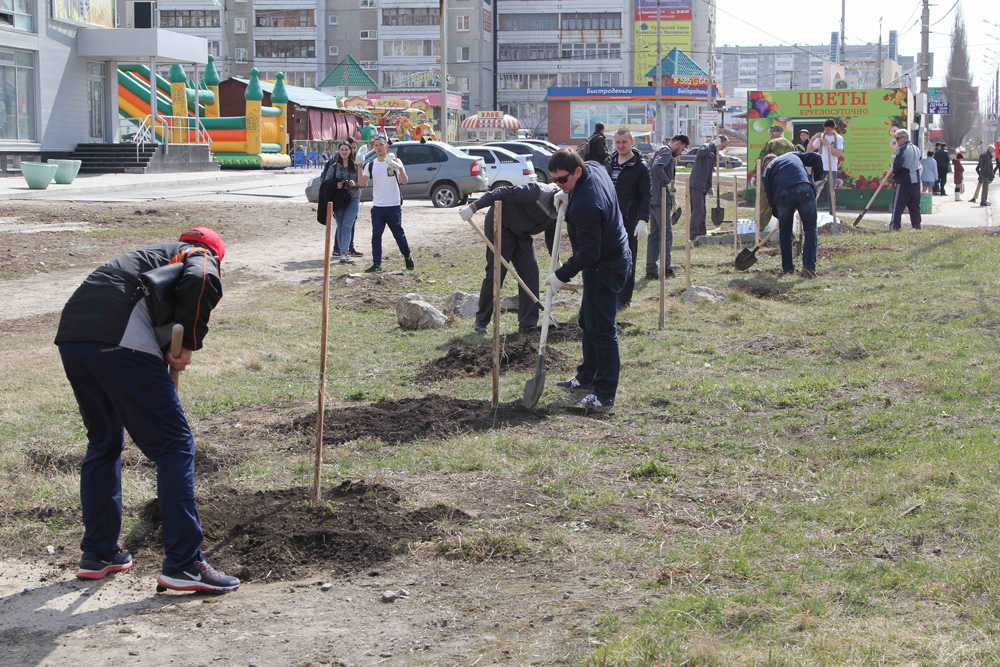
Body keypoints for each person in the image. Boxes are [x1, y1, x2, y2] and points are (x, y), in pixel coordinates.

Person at [54, 228, 240, 593]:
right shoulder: (198, 255)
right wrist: (188, 342)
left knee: (104, 442)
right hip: (120, 340)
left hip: (73, 337)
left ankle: (99, 553)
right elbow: (202, 279)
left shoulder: (147, 255)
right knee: (174, 445)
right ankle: (184, 564)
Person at [543, 148, 630, 411]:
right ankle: (586, 376)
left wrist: (561, 275)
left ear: (577, 172)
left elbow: (589, 253)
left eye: (563, 180)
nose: (559, 184)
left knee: (602, 329)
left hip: (606, 265)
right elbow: (593, 159)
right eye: (554, 180)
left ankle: (603, 394)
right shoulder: (594, 167)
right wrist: (564, 193)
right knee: (586, 320)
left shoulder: (586, 204)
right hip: (609, 257)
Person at [459, 182, 560, 334]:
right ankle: (482, 321)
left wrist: (556, 259)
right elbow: (501, 192)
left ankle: (528, 324)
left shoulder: (561, 210)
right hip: (501, 224)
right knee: (496, 273)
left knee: (530, 274)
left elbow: (552, 235)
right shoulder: (536, 192)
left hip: (523, 234)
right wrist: (473, 207)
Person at [603, 128, 650, 309]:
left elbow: (646, 194)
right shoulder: (609, 162)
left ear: (632, 142)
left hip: (629, 220)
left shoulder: (639, 166)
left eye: (624, 142)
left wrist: (643, 220)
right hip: (608, 219)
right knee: (608, 258)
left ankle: (624, 298)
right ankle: (610, 294)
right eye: (618, 142)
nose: (621, 146)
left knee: (627, 258)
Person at [761, 152, 824, 278]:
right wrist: (817, 181)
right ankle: (809, 267)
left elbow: (771, 198)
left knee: (785, 232)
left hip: (782, 195)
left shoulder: (766, 172)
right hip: (804, 187)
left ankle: (788, 270)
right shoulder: (792, 155)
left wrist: (780, 215)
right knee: (810, 229)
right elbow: (817, 157)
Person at [358, 135, 414, 272]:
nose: (379, 147)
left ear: (386, 146)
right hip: (378, 207)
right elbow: (361, 183)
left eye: (381, 145)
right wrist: (359, 166)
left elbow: (405, 180)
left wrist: (399, 167)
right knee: (376, 235)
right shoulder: (370, 165)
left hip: (393, 205)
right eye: (376, 145)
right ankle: (377, 264)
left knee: (398, 234)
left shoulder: (394, 161)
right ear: (373, 148)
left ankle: (408, 257)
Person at [646, 134, 690, 280]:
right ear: (678, 143)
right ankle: (666, 268)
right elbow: (656, 167)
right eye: (682, 149)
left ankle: (651, 269)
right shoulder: (665, 151)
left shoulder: (660, 150)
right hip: (661, 199)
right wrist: (669, 185)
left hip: (655, 198)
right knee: (666, 234)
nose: (681, 153)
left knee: (654, 235)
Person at [319, 142, 361, 265]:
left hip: (353, 198)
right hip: (339, 200)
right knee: (341, 225)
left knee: (348, 226)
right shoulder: (334, 167)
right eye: (342, 149)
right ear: (338, 151)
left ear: (350, 151)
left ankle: (344, 253)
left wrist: (355, 184)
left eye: (346, 149)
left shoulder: (356, 166)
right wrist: (336, 185)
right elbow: (326, 184)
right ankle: (342, 252)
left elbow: (363, 182)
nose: (344, 152)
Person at [689, 135, 728, 239]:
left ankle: (701, 233)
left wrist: (709, 186)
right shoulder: (706, 147)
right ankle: (693, 235)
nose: (723, 149)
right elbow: (701, 153)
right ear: (719, 143)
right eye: (723, 146)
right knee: (698, 210)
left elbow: (709, 172)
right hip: (696, 184)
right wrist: (712, 144)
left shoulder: (713, 153)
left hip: (703, 186)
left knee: (703, 210)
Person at [808, 119, 844, 214]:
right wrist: (813, 139)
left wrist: (827, 145)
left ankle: (832, 214)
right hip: (820, 167)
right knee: (815, 190)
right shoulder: (821, 137)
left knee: (831, 192)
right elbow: (809, 150)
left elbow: (838, 153)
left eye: (828, 129)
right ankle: (812, 212)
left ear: (833, 128)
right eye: (825, 129)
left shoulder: (838, 138)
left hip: (831, 168)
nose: (826, 131)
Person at [889, 128, 922, 230]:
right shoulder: (916, 148)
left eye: (897, 138)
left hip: (904, 181)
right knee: (915, 206)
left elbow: (898, 163)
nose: (896, 141)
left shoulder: (902, 149)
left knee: (898, 206)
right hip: (915, 181)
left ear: (904, 138)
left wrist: (894, 171)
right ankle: (916, 226)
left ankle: (895, 226)